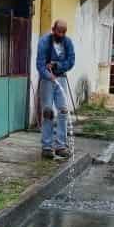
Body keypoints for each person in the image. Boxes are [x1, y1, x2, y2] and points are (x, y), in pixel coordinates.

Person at [36, 20, 76, 160]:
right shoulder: (44, 42)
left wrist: (57, 65)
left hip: (62, 79)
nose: (61, 34)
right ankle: (47, 147)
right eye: (59, 31)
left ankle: (61, 146)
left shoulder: (68, 42)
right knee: (48, 112)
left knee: (63, 111)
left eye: (64, 32)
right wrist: (49, 75)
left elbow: (70, 62)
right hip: (47, 80)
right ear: (53, 29)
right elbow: (40, 65)